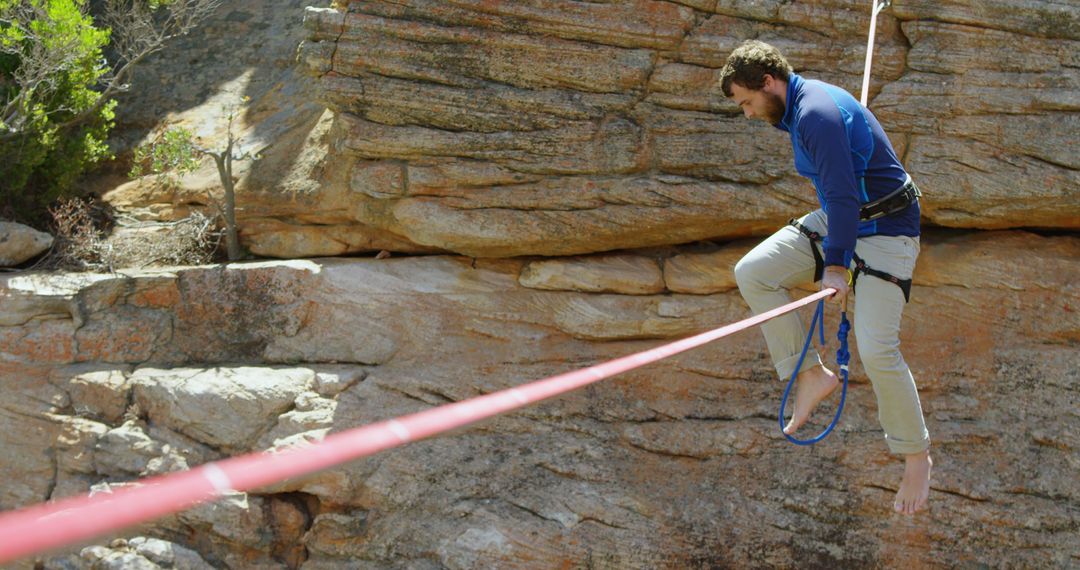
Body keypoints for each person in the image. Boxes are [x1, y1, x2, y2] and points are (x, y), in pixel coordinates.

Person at [719, 40, 932, 515]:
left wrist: (836, 266)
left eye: (747, 102)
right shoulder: (800, 111)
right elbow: (838, 192)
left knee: (878, 349)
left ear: (768, 82)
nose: (748, 114)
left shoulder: (815, 112)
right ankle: (810, 373)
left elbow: (841, 197)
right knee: (754, 272)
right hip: (843, 219)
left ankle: (916, 456)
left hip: (886, 230)